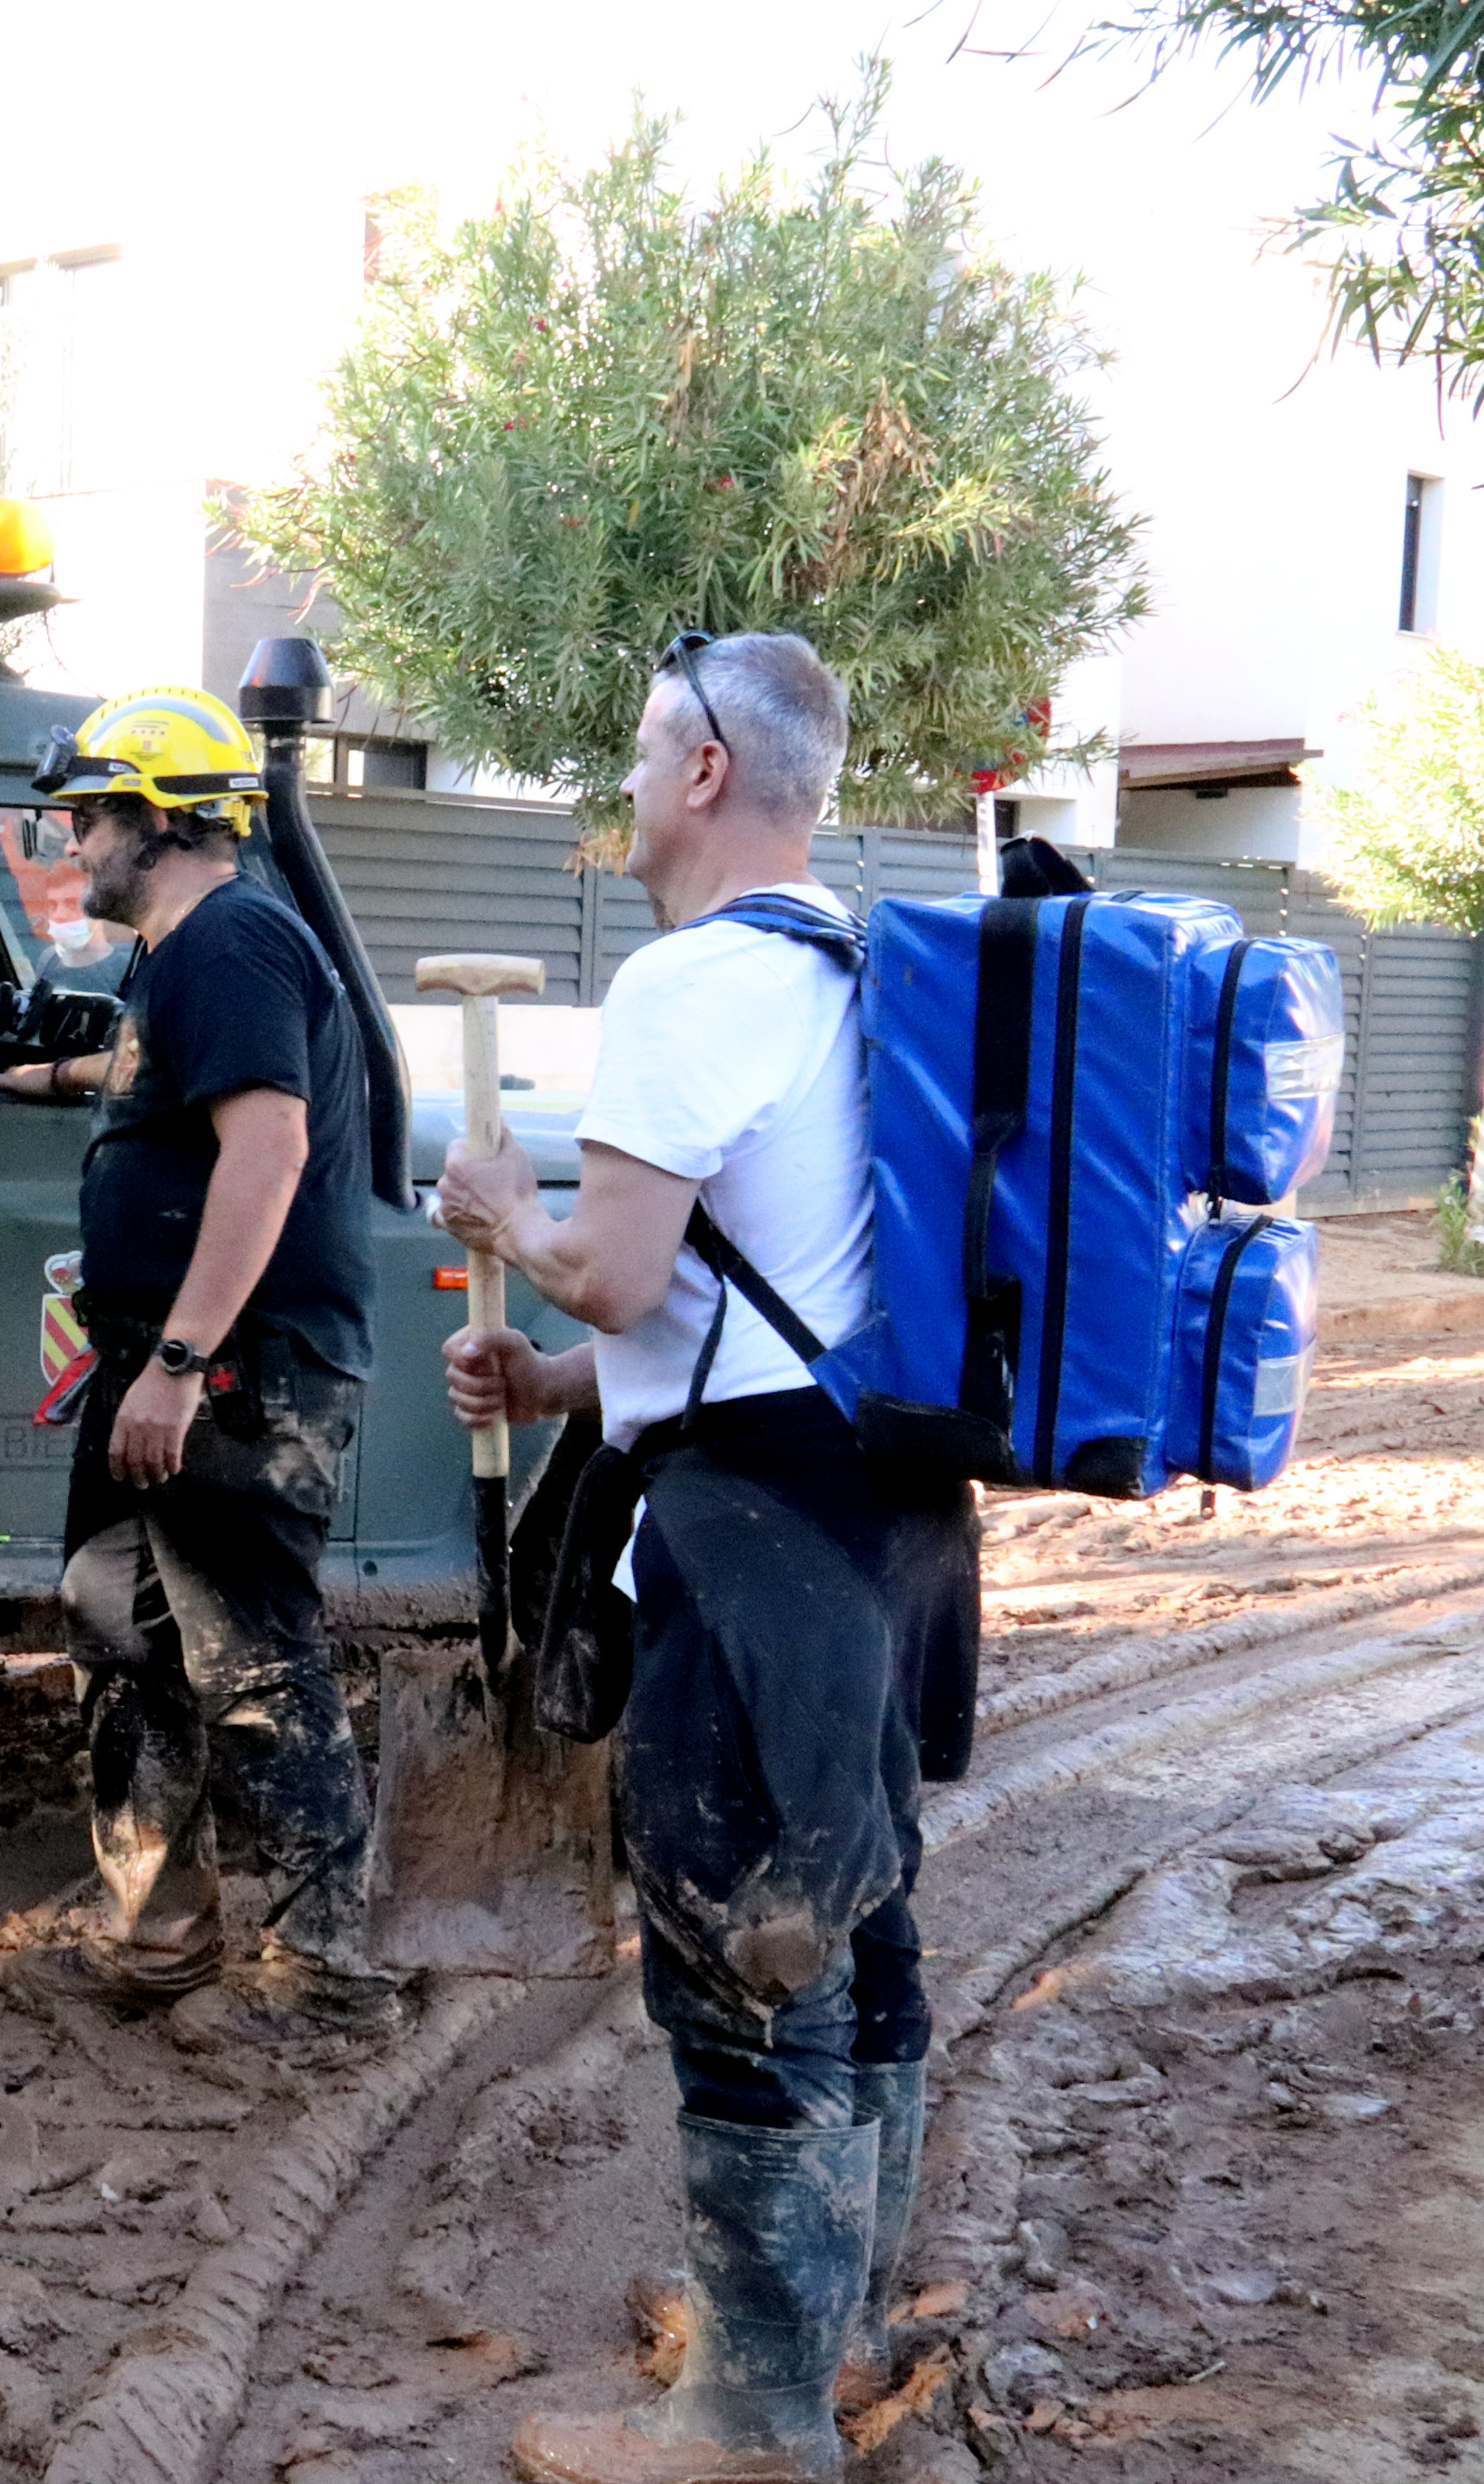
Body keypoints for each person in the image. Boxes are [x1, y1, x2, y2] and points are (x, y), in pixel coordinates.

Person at [435, 634, 978, 2484]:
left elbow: (626, 1262)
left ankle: (748, 2417)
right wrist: (561, 1372)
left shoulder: (685, 984)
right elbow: (753, 1294)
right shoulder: (856, 969)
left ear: (705, 773)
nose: (629, 777)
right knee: (857, 1913)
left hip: (755, 1532)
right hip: (882, 1505)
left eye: (645, 744)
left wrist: (508, 1208)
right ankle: (832, 2326)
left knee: (735, 1937)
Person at [0, 686, 391, 2039]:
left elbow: (266, 1152)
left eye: (86, 818)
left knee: (257, 1667)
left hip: (232, 1372)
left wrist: (177, 1362)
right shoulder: (182, 956)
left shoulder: (233, 942)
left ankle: (323, 1984)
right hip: (160, 1365)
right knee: (125, 1635)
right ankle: (160, 1939)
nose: (69, 844)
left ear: (156, 823)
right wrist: (37, 1081)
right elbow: (159, 1076)